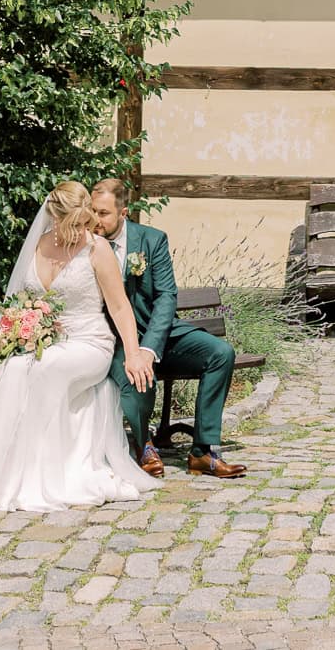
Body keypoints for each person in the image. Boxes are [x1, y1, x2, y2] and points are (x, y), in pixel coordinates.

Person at [0, 180, 159, 516]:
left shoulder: (97, 250)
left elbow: (119, 308)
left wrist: (133, 352)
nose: (76, 230)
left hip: (88, 345)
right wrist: (15, 333)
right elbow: (21, 301)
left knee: (32, 369)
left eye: (81, 223)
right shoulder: (40, 245)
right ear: (54, 218)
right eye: (68, 224)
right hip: (44, 343)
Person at [91, 177, 247, 479]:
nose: (95, 220)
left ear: (123, 212)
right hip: (114, 340)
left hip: (159, 333)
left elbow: (166, 296)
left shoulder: (151, 240)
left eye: (103, 213)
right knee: (136, 373)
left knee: (220, 353)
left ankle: (203, 451)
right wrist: (134, 351)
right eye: (93, 212)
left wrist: (149, 348)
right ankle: (144, 444)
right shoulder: (86, 244)